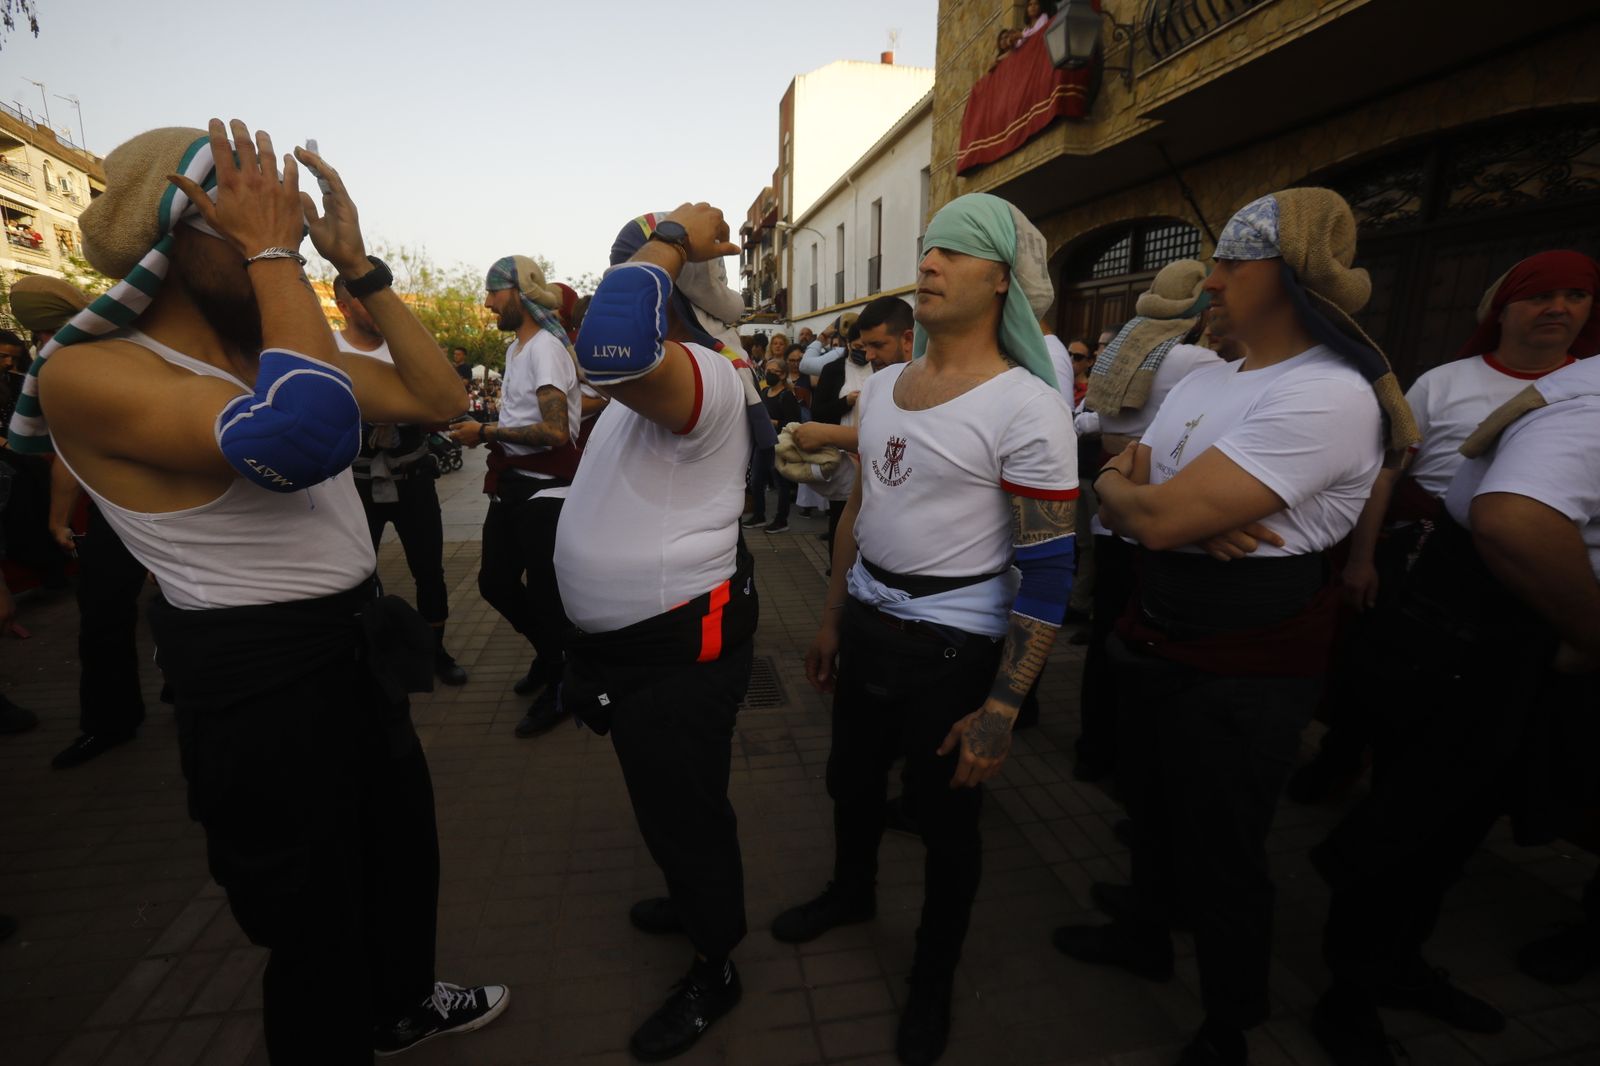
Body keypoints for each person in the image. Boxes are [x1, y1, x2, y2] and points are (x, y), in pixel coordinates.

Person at [9, 120, 506, 1063]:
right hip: (259, 686)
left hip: (351, 650)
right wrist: (276, 254)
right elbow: (303, 439)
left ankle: (402, 1006)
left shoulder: (268, 353)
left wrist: (358, 268)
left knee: (401, 862)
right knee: (313, 933)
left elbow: (441, 399)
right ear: (181, 237)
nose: (285, 234)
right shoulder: (90, 371)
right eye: (253, 218)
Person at [1060, 189, 1412, 1066]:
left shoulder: (1329, 395)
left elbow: (1149, 508)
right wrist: (1138, 501)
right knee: (1147, 805)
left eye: (1229, 264)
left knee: (1223, 847)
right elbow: (1116, 473)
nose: (1209, 282)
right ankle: (1145, 933)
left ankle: (1229, 1023)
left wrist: (1147, 505)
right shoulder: (1211, 375)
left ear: (1286, 277)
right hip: (1159, 621)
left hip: (1247, 652)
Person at [773, 194, 1077, 1066]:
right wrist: (833, 615)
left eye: (954, 252)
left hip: (952, 651)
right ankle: (852, 892)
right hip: (867, 621)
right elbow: (861, 507)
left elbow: (1051, 570)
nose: (929, 264)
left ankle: (933, 978)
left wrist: (1003, 706)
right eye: (928, 248)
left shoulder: (1028, 407)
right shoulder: (888, 388)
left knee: (947, 829)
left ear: (1001, 280)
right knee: (851, 783)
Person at [1306, 353, 1600, 1066]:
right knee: (1413, 826)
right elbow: (1514, 518)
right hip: (1476, 644)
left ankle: (1397, 966)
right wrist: (1592, 632)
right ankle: (1348, 998)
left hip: (1496, 644)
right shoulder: (1589, 401)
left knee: (1452, 830)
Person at [556, 203, 758, 1061]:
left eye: (636, 275)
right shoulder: (649, 392)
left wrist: (671, 237)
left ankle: (717, 964)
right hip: (638, 651)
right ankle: (689, 899)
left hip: (679, 650)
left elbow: (610, 342)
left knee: (687, 809)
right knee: (667, 799)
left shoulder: (706, 376)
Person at [1291, 250, 1600, 803]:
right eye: (1539, 296)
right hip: (1425, 562)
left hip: (1536, 569)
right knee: (1379, 676)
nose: (1558, 308)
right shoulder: (1444, 382)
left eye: (1575, 296)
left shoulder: (1587, 391)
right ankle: (1342, 766)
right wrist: (1362, 560)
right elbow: (1388, 473)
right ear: (1501, 311)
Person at [1071, 260, 1219, 782]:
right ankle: (1128, 758)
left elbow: (1097, 417)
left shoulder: (1123, 348)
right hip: (1159, 514)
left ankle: (1093, 748)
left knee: (1108, 630)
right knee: (1144, 641)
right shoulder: (1198, 362)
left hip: (1111, 509)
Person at [450, 255, 582, 737]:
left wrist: (484, 430)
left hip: (546, 492)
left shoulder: (546, 349)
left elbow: (554, 430)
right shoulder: (516, 350)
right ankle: (554, 657)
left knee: (547, 600)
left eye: (494, 291)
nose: (487, 303)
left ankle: (565, 680)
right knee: (494, 583)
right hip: (512, 484)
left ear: (521, 293)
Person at [333, 276, 468, 687]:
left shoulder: (407, 351)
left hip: (412, 476)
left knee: (429, 571)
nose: (374, 306)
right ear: (342, 305)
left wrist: (402, 410)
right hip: (354, 483)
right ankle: (369, 654)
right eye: (362, 300)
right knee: (356, 574)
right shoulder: (327, 348)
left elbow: (444, 411)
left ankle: (436, 653)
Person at [743, 355, 802, 533]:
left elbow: (793, 422)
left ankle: (781, 519)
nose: (770, 374)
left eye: (774, 372)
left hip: (779, 445)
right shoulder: (764, 393)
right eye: (768, 371)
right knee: (756, 480)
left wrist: (773, 422)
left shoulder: (787, 396)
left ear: (783, 375)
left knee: (780, 483)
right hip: (763, 443)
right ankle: (759, 515)